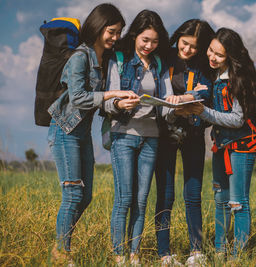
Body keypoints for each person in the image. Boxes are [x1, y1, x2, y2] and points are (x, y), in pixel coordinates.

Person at [47, 3, 133, 265]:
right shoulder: (80, 57)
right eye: (111, 31)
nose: (115, 37)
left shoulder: (104, 60)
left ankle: (60, 246)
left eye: (118, 32)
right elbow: (78, 98)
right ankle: (62, 254)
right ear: (97, 27)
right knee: (73, 194)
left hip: (82, 134)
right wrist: (112, 94)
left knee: (85, 197)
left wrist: (118, 103)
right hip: (64, 131)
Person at [102, 9, 172, 266]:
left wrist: (177, 104)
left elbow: (165, 100)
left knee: (142, 199)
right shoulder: (118, 60)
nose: (149, 46)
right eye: (145, 40)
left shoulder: (159, 64)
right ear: (134, 36)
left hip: (151, 137)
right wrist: (120, 104)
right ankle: (118, 254)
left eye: (154, 41)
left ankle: (135, 254)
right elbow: (109, 99)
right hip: (124, 135)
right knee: (124, 198)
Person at [187, 28, 256, 259]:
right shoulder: (216, 76)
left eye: (219, 55)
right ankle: (220, 251)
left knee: (238, 202)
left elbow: (237, 119)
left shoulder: (241, 78)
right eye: (211, 50)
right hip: (220, 146)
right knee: (220, 198)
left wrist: (204, 113)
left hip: (241, 147)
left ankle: (237, 256)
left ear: (230, 56)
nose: (212, 57)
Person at [154, 19, 215, 267]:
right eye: (185, 43)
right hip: (164, 133)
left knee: (193, 194)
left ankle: (196, 251)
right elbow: (156, 89)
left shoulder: (202, 65)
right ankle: (164, 253)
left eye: (194, 47)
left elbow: (207, 90)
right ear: (178, 37)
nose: (188, 50)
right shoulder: (165, 58)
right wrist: (192, 95)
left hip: (193, 133)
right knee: (165, 194)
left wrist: (188, 96)